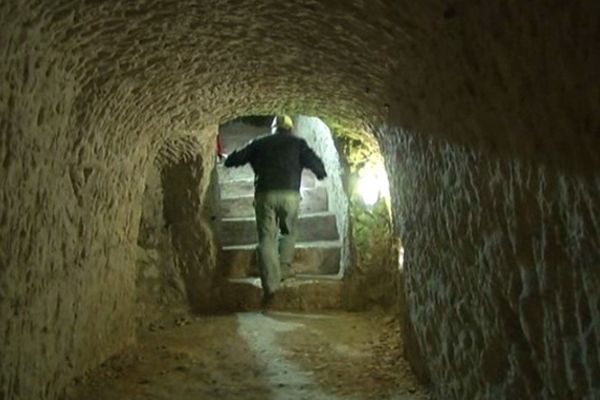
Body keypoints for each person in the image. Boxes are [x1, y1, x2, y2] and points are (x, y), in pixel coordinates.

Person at [224, 115, 327, 309]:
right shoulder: (297, 143)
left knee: (266, 238)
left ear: (273, 129)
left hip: (265, 195)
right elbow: (315, 163)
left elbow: (235, 159)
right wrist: (320, 173)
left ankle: (271, 285)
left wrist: (227, 160)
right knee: (289, 232)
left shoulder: (259, 143)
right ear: (289, 129)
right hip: (290, 195)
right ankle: (285, 267)